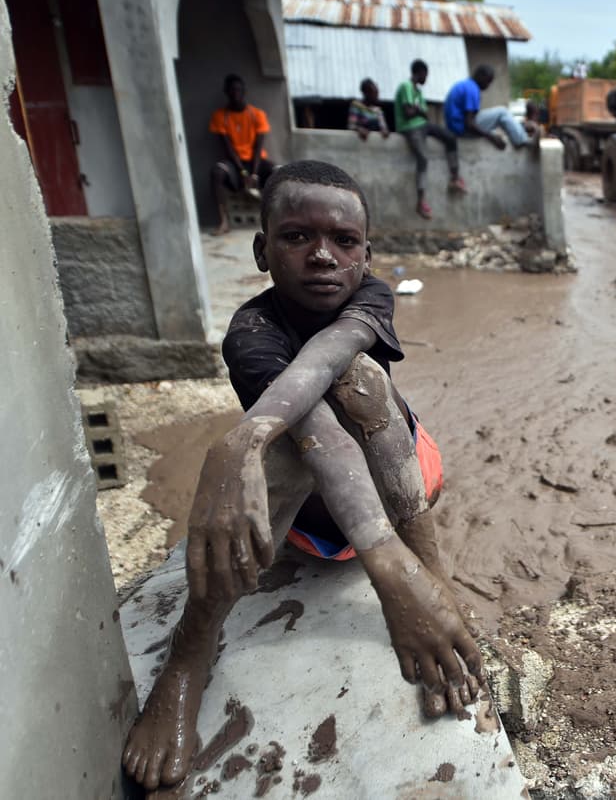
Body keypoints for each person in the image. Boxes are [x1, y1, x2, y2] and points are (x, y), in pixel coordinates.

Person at [120, 160, 484, 792]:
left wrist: (242, 436)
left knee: (360, 378)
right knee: (295, 439)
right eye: (296, 237)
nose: (322, 256)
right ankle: (190, 651)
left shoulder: (371, 296)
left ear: (365, 256)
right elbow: (320, 436)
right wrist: (384, 568)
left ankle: (434, 575)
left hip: (395, 486)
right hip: (312, 511)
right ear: (263, 251)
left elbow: (327, 360)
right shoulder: (251, 332)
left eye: (344, 241)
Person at [395, 59, 466, 221]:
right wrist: (418, 111)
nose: (426, 79)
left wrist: (418, 110)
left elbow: (423, 113)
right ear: (419, 73)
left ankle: (455, 178)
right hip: (410, 127)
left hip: (423, 125)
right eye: (425, 75)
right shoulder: (406, 86)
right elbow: (408, 113)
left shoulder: (418, 92)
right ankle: (420, 202)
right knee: (423, 158)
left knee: (450, 138)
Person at [209, 74, 274, 236]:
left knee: (279, 171)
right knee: (217, 172)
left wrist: (254, 174)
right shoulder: (220, 116)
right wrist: (243, 172)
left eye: (238, 89)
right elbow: (228, 148)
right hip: (235, 163)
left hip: (256, 162)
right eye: (231, 90)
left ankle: (276, 220)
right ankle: (223, 222)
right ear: (226, 92)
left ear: (244, 91)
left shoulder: (257, 114)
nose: (235, 93)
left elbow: (258, 148)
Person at [444, 65, 538, 152]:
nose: (488, 86)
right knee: (502, 112)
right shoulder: (472, 89)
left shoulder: (465, 85)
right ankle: (522, 140)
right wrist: (491, 137)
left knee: (498, 126)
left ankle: (520, 132)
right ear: (481, 77)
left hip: (455, 128)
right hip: (462, 130)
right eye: (488, 81)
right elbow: (469, 123)